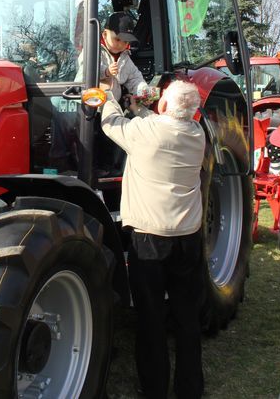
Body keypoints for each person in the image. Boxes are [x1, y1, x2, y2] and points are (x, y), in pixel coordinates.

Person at [101, 80, 206, 398]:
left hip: (150, 239)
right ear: (194, 112)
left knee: (150, 315)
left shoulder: (146, 134)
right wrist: (140, 108)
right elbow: (158, 122)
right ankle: (190, 388)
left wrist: (108, 94)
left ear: (163, 106)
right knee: (187, 315)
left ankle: (155, 387)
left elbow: (111, 124)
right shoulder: (196, 134)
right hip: (188, 237)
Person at [76, 12, 149, 100]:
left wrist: (144, 92)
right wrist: (106, 72)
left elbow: (135, 78)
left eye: (125, 42)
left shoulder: (125, 58)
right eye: (117, 39)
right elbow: (86, 68)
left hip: (111, 104)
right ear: (105, 34)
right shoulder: (93, 50)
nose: (121, 45)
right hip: (87, 103)